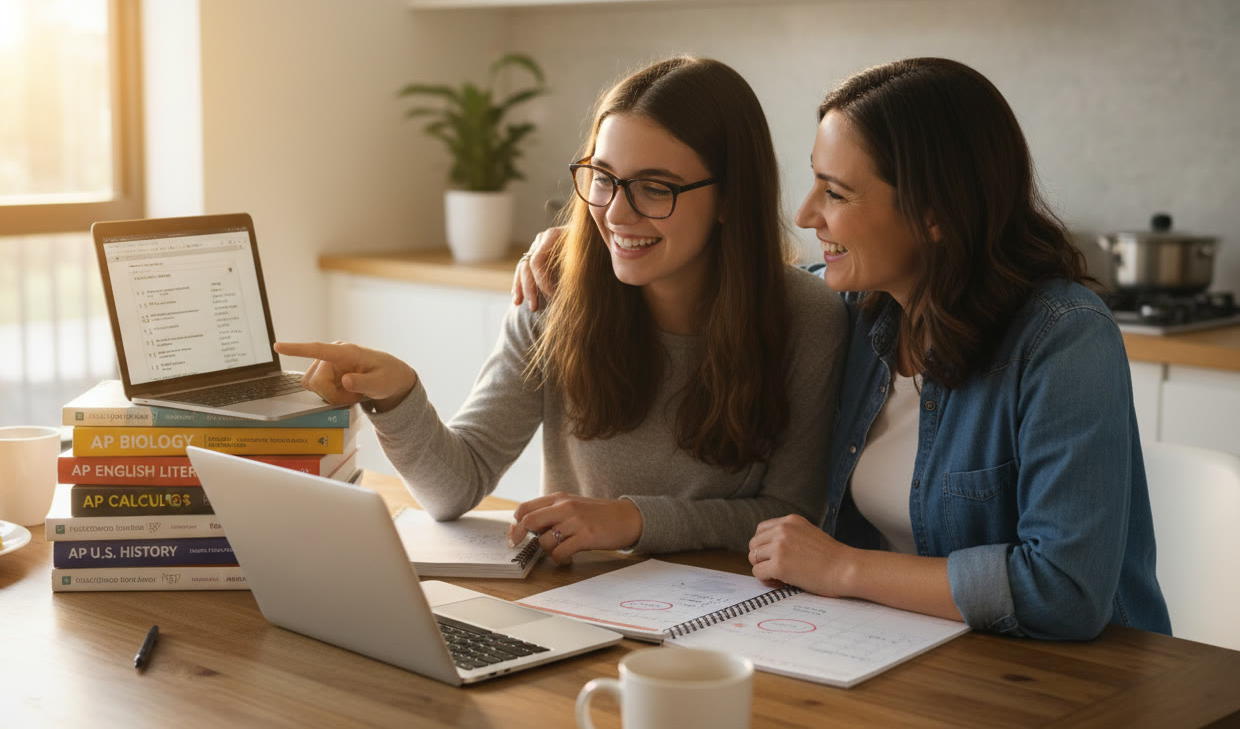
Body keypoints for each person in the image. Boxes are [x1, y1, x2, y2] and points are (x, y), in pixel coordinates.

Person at [515, 57, 1170, 639]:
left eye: (837, 193)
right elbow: (720, 269)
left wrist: (846, 567)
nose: (805, 215)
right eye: (814, 182)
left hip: (1068, 684)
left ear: (934, 213)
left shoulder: (1063, 338)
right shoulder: (850, 316)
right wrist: (575, 250)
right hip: (879, 651)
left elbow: (1066, 590)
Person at [276, 56, 848, 564]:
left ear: (729, 197)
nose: (617, 213)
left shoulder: (806, 318)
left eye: (655, 187)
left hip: (732, 610)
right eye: (602, 178)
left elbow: (791, 516)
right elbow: (455, 488)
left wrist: (633, 519)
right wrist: (399, 396)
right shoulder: (558, 293)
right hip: (579, 595)